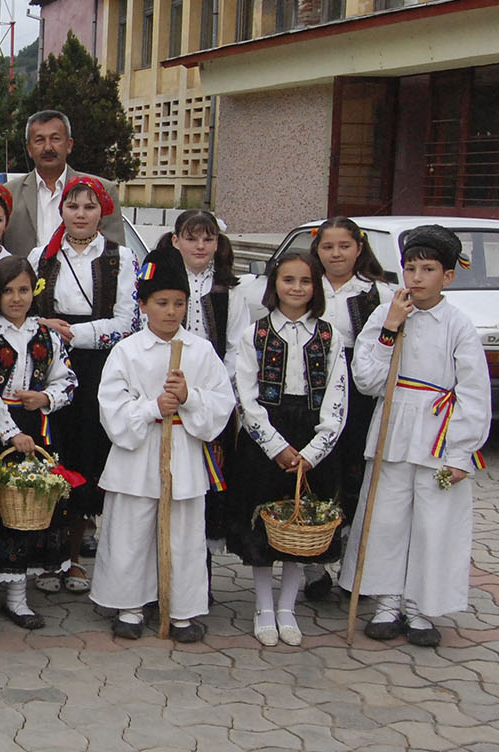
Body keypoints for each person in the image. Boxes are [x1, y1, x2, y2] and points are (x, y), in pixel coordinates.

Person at [340, 225, 491, 647]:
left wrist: (460, 453)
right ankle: (386, 601)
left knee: (432, 523)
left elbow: (474, 392)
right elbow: (367, 380)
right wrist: (390, 329)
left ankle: (419, 606)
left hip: (438, 433)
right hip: (393, 427)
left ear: (448, 276)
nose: (417, 277)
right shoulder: (386, 314)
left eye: (428, 269)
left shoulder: (458, 324)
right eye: (410, 268)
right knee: (386, 518)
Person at [90, 243, 235, 642]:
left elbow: (222, 403)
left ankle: (181, 609)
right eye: (161, 303)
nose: (171, 312)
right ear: (143, 305)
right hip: (137, 458)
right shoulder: (127, 351)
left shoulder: (200, 351)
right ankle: (130, 605)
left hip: (182, 455)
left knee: (183, 536)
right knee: (131, 532)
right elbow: (111, 407)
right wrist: (153, 407)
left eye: (179, 303)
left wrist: (189, 398)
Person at [27, 176, 139, 592]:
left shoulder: (119, 258)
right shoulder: (41, 255)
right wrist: (45, 326)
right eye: (72, 206)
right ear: (61, 210)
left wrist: (74, 333)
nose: (80, 214)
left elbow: (127, 322)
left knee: (84, 456)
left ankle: (73, 558)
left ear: (102, 212)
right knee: (50, 450)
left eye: (89, 207)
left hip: (95, 367)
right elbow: (22, 307)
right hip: (47, 363)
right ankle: (45, 557)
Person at [230, 252, 347, 647]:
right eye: (288, 280)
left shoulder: (330, 336)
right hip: (266, 440)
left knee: (302, 525)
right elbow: (246, 398)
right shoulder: (255, 334)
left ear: (316, 287)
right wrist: (275, 446)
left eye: (305, 281)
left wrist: (313, 451)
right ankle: (264, 605)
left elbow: (337, 398)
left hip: (312, 438)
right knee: (264, 526)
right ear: (274, 284)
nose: (296, 288)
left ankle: (288, 607)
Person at [0, 256, 76, 629]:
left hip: (36, 429)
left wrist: (46, 397)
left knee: (27, 510)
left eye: (23, 290)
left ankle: (18, 597)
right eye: (8, 291)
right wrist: (9, 432)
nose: (16, 298)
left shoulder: (46, 335)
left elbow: (67, 379)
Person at [306, 217, 395, 600]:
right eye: (328, 247)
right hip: (312, 389)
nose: (336, 254)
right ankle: (313, 565)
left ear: (359, 248)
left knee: (353, 473)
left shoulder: (380, 293)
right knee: (318, 471)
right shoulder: (308, 286)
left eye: (344, 246)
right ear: (317, 250)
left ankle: (354, 564)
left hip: (360, 394)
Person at [159, 210, 249, 586]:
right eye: (191, 237)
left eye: (208, 239)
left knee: (206, 486)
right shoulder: (162, 281)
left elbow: (237, 348)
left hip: (210, 400)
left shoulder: (230, 291)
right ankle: (159, 573)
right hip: (165, 393)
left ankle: (200, 577)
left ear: (217, 244)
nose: (200, 246)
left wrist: (210, 391)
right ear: (175, 240)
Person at [3, 110, 124, 260]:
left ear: (69, 145)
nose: (48, 147)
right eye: (39, 140)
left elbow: (115, 255)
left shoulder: (102, 190)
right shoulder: (9, 194)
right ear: (29, 149)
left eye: (55, 139)